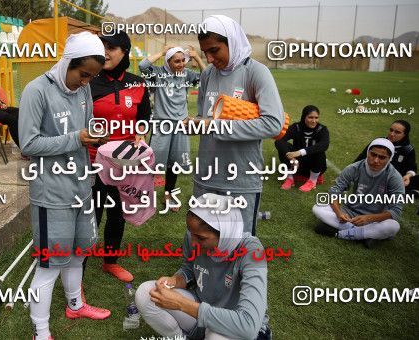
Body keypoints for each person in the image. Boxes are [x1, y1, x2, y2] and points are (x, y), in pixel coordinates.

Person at [18, 32, 111, 340]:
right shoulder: (37, 90)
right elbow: (29, 144)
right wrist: (76, 138)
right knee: (49, 264)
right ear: (67, 63)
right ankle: (40, 331)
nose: (86, 82)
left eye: (92, 77)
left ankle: (76, 304)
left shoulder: (83, 91)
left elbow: (86, 129)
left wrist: (97, 136)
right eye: (83, 74)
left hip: (82, 187)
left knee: (78, 252)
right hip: (52, 193)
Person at [187, 15, 285, 235]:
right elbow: (205, 119)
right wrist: (194, 124)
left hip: (240, 179)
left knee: (237, 242)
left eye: (215, 50)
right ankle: (193, 271)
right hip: (206, 175)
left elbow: (273, 124)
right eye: (205, 53)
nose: (210, 58)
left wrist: (217, 127)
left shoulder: (256, 72)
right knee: (203, 236)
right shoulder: (207, 75)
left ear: (231, 41)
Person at [135, 193, 268, 340]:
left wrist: (180, 303)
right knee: (146, 293)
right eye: (191, 233)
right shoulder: (194, 235)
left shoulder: (252, 250)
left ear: (225, 233)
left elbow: (248, 326)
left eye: (201, 238)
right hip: (201, 308)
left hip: (236, 325)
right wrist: (175, 280)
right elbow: (190, 267)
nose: (193, 243)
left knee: (216, 336)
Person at [87, 31, 152, 282]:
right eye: (101, 46)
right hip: (93, 162)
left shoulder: (138, 83)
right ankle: (79, 261)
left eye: (111, 47)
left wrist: (141, 135)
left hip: (125, 163)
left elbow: (144, 118)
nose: (105, 52)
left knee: (117, 212)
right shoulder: (88, 81)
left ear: (124, 51)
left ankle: (110, 261)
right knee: (92, 212)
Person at [139, 45, 206, 211]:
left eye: (183, 60)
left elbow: (207, 77)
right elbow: (142, 66)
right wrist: (161, 52)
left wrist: (197, 58)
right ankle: (144, 194)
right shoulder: (158, 73)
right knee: (152, 162)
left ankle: (169, 195)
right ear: (167, 62)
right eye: (177, 61)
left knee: (174, 164)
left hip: (181, 125)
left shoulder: (186, 75)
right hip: (162, 125)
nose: (181, 64)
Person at [313, 138, 405, 248]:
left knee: (393, 226)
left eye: (382, 157)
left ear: (389, 159)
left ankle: (339, 233)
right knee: (317, 207)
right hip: (350, 213)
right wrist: (339, 213)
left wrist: (369, 218)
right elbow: (335, 192)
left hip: (375, 219)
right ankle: (365, 235)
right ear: (367, 153)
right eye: (373, 154)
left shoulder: (394, 177)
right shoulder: (354, 168)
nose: (376, 160)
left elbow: (396, 211)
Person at [355, 120, 419, 194]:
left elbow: (411, 167)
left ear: (405, 134)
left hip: (395, 179)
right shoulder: (378, 142)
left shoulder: (408, 149)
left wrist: (408, 176)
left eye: (397, 132)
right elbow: (360, 158)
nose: (392, 134)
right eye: (391, 130)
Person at [274, 105, 329, 192]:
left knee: (319, 150)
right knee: (284, 147)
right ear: (304, 117)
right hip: (296, 165)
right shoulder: (296, 127)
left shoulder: (322, 129)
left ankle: (312, 181)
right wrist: (291, 157)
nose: (314, 121)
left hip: (314, 166)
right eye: (310, 117)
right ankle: (290, 178)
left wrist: (300, 152)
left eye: (316, 117)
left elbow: (324, 145)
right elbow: (279, 140)